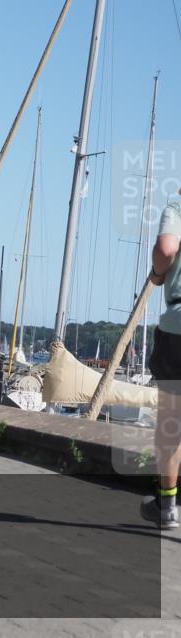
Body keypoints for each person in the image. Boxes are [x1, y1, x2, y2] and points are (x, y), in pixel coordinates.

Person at [140, 191, 181, 529]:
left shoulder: (178, 207)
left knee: (171, 422)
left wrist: (156, 275)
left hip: (178, 330)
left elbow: (166, 250)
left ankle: (168, 507)